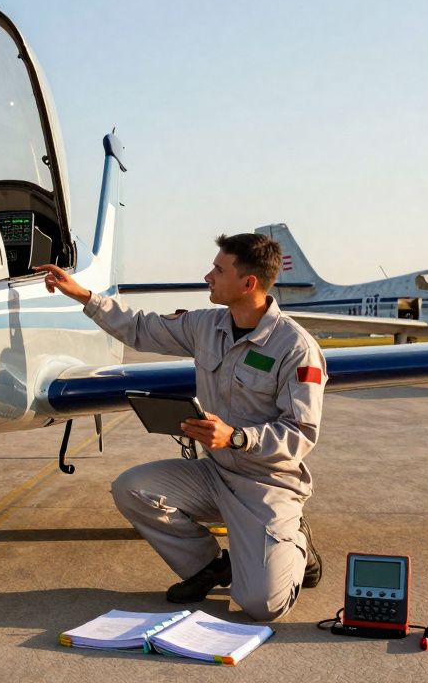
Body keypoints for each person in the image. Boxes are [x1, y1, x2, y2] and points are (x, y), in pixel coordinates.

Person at [35, 233, 325, 622]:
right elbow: (139, 328)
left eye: (218, 270)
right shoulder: (205, 325)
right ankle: (209, 566)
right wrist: (84, 296)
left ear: (248, 283)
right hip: (215, 474)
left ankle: (296, 540)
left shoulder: (296, 348)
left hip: (267, 484)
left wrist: (237, 437)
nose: (208, 276)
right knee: (132, 488)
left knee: (261, 605)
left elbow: (300, 433)